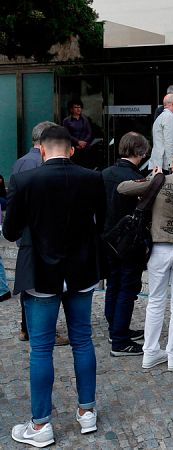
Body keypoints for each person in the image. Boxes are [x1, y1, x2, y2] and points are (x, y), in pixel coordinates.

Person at [4, 126, 105, 447]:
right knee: (83, 340)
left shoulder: (26, 180)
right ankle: (87, 412)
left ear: (42, 150)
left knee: (41, 349)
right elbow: (101, 224)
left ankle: (39, 426)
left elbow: (10, 231)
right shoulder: (92, 178)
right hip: (81, 271)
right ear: (72, 149)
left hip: (41, 272)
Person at [117, 147, 173, 371]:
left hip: (159, 246)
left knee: (155, 301)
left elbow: (123, 188)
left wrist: (151, 178)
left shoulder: (160, 181)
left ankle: (150, 352)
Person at [11, 121, 69, 345]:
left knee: (29, 283)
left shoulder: (19, 163)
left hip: (23, 232)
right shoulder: (42, 164)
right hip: (42, 234)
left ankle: (27, 327)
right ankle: (44, 330)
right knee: (45, 284)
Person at [102, 132, 148, 356]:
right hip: (129, 241)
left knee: (114, 284)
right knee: (127, 288)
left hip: (108, 238)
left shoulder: (104, 174)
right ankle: (119, 339)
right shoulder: (136, 178)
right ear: (141, 152)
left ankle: (115, 329)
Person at [150, 93, 173, 170]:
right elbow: (170, 142)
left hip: (160, 163)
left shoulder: (162, 117)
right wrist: (171, 165)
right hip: (165, 165)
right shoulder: (169, 117)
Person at [62, 99, 93, 167]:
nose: (78, 109)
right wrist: (78, 142)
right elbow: (67, 134)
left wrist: (84, 142)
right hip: (73, 147)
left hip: (85, 147)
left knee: (86, 165)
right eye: (76, 107)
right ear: (71, 109)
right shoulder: (66, 121)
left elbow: (89, 133)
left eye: (79, 107)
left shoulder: (85, 119)